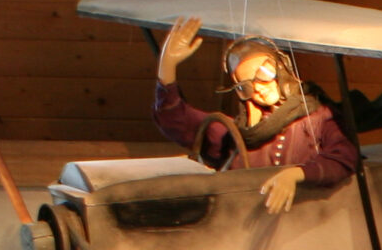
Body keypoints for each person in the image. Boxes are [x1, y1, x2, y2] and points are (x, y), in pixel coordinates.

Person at [151, 16, 360, 214]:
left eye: (264, 74)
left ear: (281, 67)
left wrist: (297, 174)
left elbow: (344, 157)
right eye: (246, 86)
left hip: (308, 222)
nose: (259, 88)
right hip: (246, 225)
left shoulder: (319, 117)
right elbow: (176, 119)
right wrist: (166, 68)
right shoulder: (234, 134)